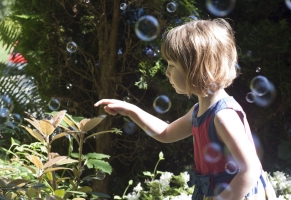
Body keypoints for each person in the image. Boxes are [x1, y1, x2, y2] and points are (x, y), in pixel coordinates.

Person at [94, 18, 276, 200]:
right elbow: (165, 133)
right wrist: (130, 110)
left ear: (196, 68)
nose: (166, 72)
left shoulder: (223, 116)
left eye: (172, 65)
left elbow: (250, 170)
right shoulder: (199, 111)